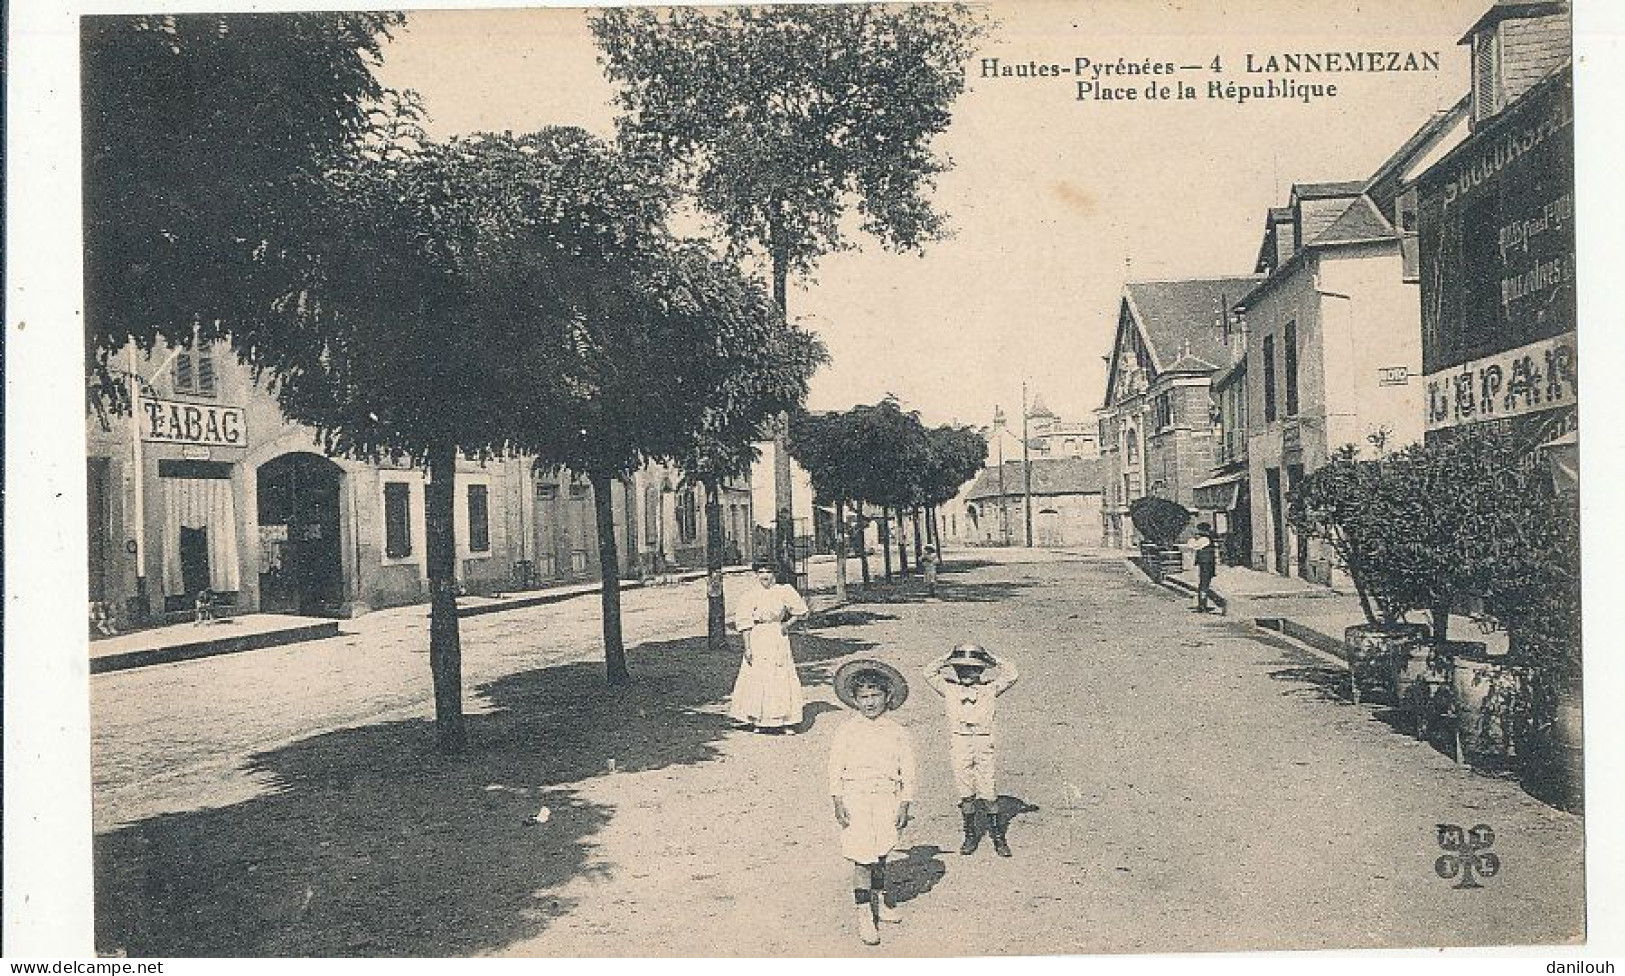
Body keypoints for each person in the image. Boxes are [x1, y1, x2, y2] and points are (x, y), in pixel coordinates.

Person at [828, 659, 915, 945]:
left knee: (881, 851)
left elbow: (907, 770)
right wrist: (838, 799)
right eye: (863, 697)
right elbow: (835, 766)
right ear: (854, 700)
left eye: (875, 695)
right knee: (862, 856)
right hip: (856, 795)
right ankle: (864, 913)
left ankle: (880, 899)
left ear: (888, 696)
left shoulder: (897, 732)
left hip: (886, 796)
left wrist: (904, 803)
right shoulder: (847, 731)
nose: (870, 702)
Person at [922, 642, 1020, 857]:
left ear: (982, 669)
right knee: (966, 792)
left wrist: (990, 657)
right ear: (955, 670)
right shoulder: (949, 688)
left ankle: (998, 837)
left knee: (989, 792)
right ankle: (970, 834)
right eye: (961, 669)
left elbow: (1012, 674)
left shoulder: (990, 689)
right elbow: (928, 672)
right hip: (960, 741)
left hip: (983, 741)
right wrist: (949, 656)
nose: (967, 673)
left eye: (974, 668)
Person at [726, 555, 810, 733]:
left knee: (780, 675)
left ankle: (785, 720)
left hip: (777, 636)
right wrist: (747, 647)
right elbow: (744, 623)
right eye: (761, 572)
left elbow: (802, 611)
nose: (764, 576)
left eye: (768, 572)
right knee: (758, 676)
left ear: (775, 573)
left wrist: (786, 624)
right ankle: (758, 719)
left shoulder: (784, 591)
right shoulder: (750, 595)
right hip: (758, 637)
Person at [1186, 522, 1218, 613]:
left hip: (1206, 565)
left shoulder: (1204, 539)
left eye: (1199, 530)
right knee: (1203, 585)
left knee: (1203, 585)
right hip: (1207, 564)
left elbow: (1192, 546)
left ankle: (1205, 605)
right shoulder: (1207, 538)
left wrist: (1192, 538)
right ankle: (1202, 605)